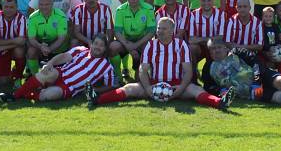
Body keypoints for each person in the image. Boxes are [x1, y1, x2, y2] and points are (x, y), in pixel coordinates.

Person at [88, 17, 234, 110]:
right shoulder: (151, 45)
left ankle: (220, 102)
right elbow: (142, 71)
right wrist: (148, 89)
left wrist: (180, 88)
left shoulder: (181, 44)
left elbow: (188, 71)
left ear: (172, 30)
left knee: (196, 91)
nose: (159, 31)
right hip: (154, 83)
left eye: (163, 28)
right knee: (130, 88)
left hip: (176, 84)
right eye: (158, 28)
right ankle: (97, 99)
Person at [0, 34, 115, 103]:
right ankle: (14, 95)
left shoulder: (106, 67)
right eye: (96, 43)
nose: (97, 47)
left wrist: (92, 90)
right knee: (47, 73)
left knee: (49, 96)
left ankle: (29, 92)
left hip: (70, 87)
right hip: (60, 73)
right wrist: (50, 64)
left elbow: (110, 86)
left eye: (101, 45)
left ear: (105, 49)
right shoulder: (80, 50)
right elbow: (64, 56)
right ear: (91, 44)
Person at [110, 0, 156, 81]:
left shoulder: (148, 9)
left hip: (142, 41)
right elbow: (117, 32)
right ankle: (117, 74)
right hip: (126, 40)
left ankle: (142, 71)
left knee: (151, 47)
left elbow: (151, 32)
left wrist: (135, 45)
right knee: (113, 46)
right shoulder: (120, 10)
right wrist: (128, 45)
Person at [26, 0, 69, 77]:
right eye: (41, 4)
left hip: (58, 46)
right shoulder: (32, 17)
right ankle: (35, 76)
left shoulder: (61, 16)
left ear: (52, 4)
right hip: (40, 46)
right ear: (38, 5)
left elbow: (61, 39)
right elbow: (31, 39)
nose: (44, 7)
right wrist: (41, 47)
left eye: (47, 4)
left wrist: (49, 49)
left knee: (56, 76)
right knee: (31, 51)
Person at [0, 0, 28, 86]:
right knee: (3, 82)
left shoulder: (21, 18)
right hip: (2, 51)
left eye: (12, 7)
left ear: (16, 7)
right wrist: (15, 42)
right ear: (2, 7)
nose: (9, 9)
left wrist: (0, 47)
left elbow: (22, 41)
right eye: (6, 7)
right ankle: (9, 73)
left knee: (20, 51)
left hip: (5, 48)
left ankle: (17, 75)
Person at [188, 0, 226, 67]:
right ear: (200, 1)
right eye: (204, 1)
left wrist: (200, 39)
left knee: (222, 46)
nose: (206, 3)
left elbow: (221, 37)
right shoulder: (193, 14)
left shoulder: (220, 14)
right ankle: (194, 74)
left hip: (214, 46)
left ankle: (220, 72)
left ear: (213, 1)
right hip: (200, 48)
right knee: (192, 48)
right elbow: (191, 40)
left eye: (209, 1)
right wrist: (210, 39)